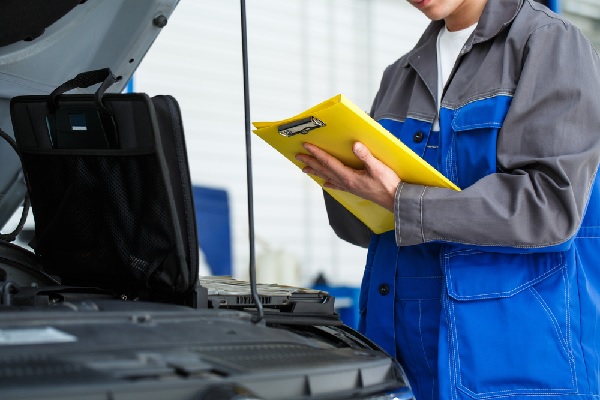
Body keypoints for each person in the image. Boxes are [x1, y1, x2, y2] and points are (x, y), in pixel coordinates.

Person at [295, 0, 600, 399]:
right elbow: (374, 229)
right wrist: (341, 181)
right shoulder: (400, 75)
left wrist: (400, 198)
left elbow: (549, 208)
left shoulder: (547, 42)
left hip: (510, 362)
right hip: (399, 355)